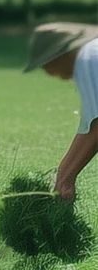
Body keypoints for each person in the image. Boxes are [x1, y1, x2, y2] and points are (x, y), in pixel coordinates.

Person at [24, 22, 98, 202]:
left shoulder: (88, 59)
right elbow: (90, 126)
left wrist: (65, 179)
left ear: (60, 55)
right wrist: (64, 173)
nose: (49, 73)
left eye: (46, 65)